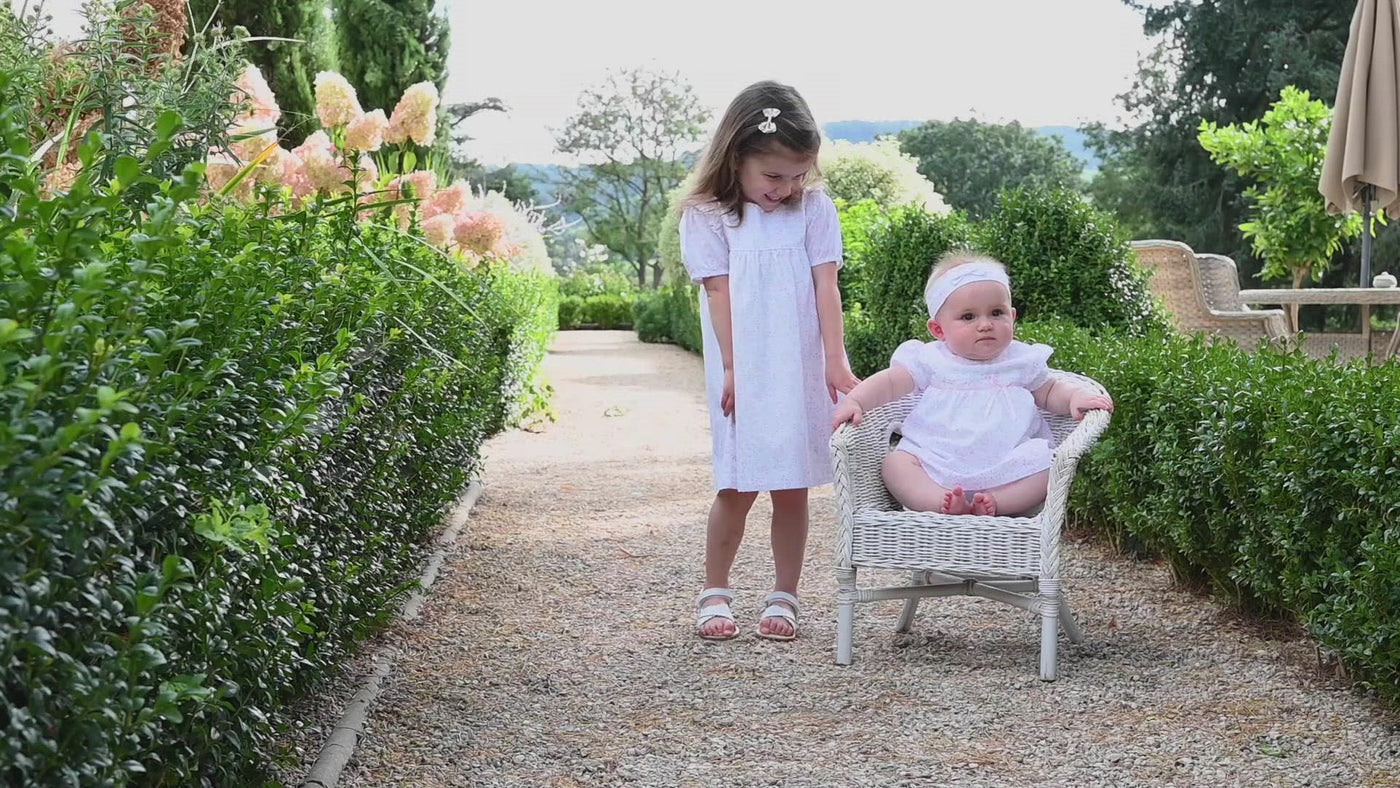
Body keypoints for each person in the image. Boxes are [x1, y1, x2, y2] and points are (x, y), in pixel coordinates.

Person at [681, 81, 858, 641]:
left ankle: (786, 594)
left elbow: (827, 287)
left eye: (798, 176)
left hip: (799, 363)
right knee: (737, 484)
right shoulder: (708, 216)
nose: (787, 189)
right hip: (744, 367)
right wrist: (734, 368)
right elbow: (718, 293)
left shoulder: (814, 210)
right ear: (736, 157)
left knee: (791, 484)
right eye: (774, 176)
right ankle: (715, 590)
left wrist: (835, 361)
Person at [832, 252, 1114, 517]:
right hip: (936, 459)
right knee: (895, 465)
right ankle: (940, 501)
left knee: (1050, 466)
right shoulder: (931, 359)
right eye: (968, 317)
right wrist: (856, 400)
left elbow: (1050, 390)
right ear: (938, 329)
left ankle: (996, 502)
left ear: (1012, 317)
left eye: (996, 313)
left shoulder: (1020, 360)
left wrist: (1075, 396)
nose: (985, 324)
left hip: (1009, 463)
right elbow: (890, 383)